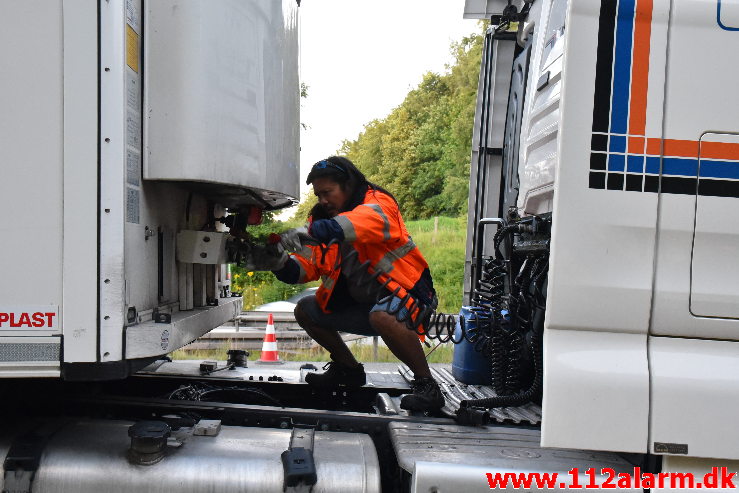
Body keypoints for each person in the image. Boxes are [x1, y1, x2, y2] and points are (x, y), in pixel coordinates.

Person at [249, 156, 444, 412]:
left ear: (348, 185)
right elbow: (305, 269)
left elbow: (356, 222)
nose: (323, 200)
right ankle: (348, 370)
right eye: (318, 195)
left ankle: (427, 386)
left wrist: (313, 232)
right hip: (370, 310)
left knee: (383, 317)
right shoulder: (322, 221)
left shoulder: (378, 203)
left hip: (410, 297)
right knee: (306, 310)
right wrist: (279, 263)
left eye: (327, 192)